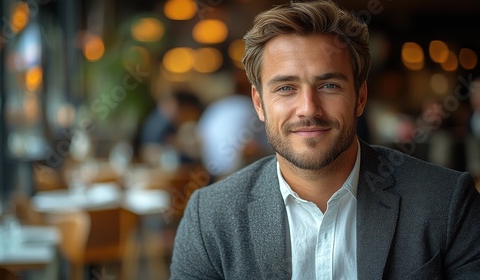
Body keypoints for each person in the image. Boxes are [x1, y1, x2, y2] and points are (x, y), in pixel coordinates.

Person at [170, 1, 480, 279]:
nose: (308, 109)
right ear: (260, 103)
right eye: (285, 88)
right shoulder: (209, 217)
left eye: (329, 85)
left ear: (360, 98)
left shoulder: (446, 202)